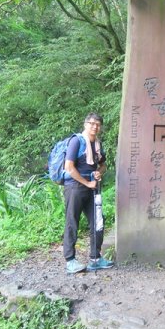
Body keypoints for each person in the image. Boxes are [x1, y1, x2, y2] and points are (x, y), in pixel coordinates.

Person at [63, 113, 114, 273]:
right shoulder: (76, 141)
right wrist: (87, 182)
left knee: (98, 222)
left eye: (98, 124)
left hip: (92, 188)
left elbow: (103, 164)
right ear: (85, 124)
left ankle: (95, 258)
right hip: (75, 187)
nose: (95, 126)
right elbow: (69, 167)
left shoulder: (98, 144)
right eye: (92, 123)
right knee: (72, 222)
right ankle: (70, 261)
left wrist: (99, 172)